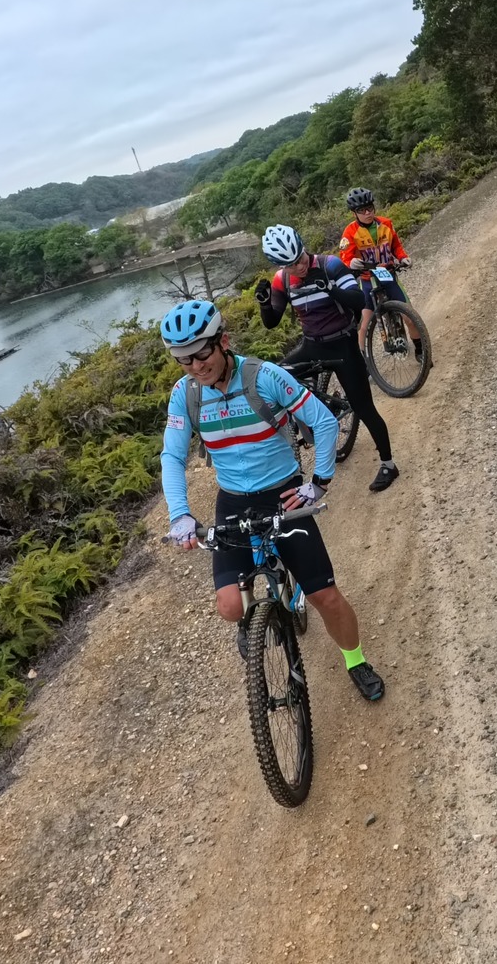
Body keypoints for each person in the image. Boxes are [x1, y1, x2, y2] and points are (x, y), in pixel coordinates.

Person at [158, 299, 385, 701]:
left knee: (325, 596)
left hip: (282, 494)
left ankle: (356, 661)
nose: (195, 366)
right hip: (232, 500)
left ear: (223, 341)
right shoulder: (185, 394)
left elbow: (324, 421)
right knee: (230, 607)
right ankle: (252, 618)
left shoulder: (265, 377)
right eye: (183, 359)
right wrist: (180, 515)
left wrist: (318, 483)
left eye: (201, 353)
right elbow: (172, 456)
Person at [256, 224, 400, 493]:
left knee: (364, 407)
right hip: (312, 346)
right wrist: (265, 303)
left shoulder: (330, 265)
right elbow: (272, 321)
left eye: (300, 258)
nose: (299, 267)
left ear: (303, 247)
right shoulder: (282, 280)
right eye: (291, 265)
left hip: (343, 345)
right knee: (268, 380)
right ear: (280, 266)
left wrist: (330, 287)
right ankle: (314, 417)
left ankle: (388, 465)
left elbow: (359, 301)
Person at [336, 187, 412, 330]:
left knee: (410, 317)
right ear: (354, 213)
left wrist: (403, 257)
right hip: (367, 279)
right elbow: (345, 257)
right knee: (364, 327)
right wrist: (351, 262)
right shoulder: (350, 232)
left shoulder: (386, 223)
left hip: (387, 274)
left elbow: (396, 246)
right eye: (361, 210)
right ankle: (364, 346)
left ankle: (420, 344)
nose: (367, 213)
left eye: (370, 208)